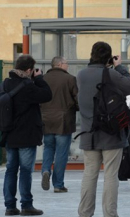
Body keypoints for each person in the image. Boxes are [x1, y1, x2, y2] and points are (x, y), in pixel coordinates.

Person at [77, 42, 130, 217]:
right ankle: (110, 213)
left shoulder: (80, 75)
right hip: (111, 132)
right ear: (109, 57)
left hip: (88, 133)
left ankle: (85, 212)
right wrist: (119, 67)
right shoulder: (111, 73)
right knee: (110, 175)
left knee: (89, 174)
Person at [1, 55, 52, 216]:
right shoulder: (28, 86)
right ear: (29, 70)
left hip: (9, 133)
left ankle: (10, 206)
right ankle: (26, 205)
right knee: (24, 171)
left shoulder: (6, 83)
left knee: (10, 170)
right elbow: (47, 95)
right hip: (26, 135)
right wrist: (39, 78)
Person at [40, 56, 78, 193]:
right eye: (67, 63)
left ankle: (45, 171)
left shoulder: (43, 79)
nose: (67, 66)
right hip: (64, 121)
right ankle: (58, 184)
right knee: (61, 153)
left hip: (46, 120)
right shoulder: (70, 79)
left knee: (48, 148)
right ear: (60, 64)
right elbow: (77, 99)